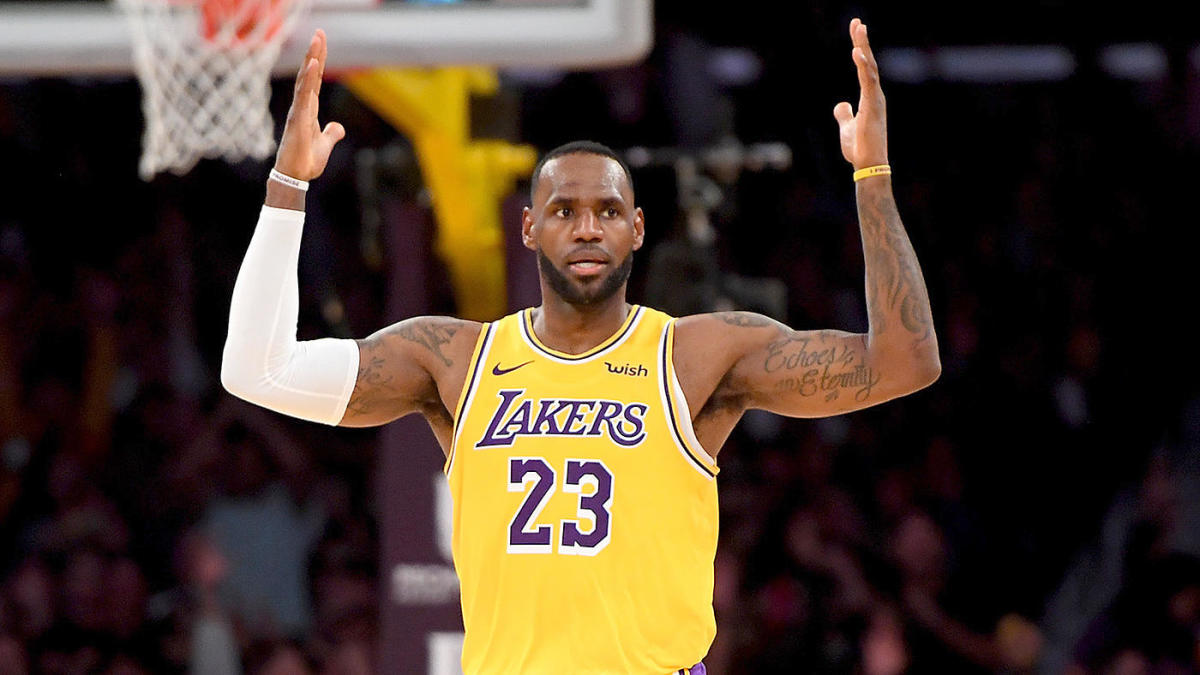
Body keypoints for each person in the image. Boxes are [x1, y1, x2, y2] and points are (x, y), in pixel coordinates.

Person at [221, 18, 940, 674]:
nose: (588, 228)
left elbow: (904, 362)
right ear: (529, 228)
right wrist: (287, 186)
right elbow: (258, 370)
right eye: (564, 210)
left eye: (608, 211)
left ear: (638, 228)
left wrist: (872, 177)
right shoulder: (456, 359)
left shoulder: (695, 356)